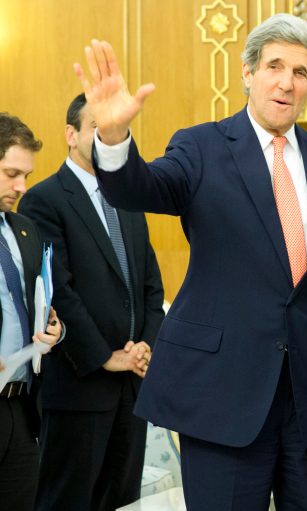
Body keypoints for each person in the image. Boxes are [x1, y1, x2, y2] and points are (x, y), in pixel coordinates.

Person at [75, 13, 307, 511]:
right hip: (222, 397)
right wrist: (112, 140)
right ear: (248, 72)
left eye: (300, 72)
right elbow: (141, 189)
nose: (286, 82)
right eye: (274, 66)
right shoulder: (201, 146)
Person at [18, 94, 165, 511]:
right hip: (78, 387)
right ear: (71, 134)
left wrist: (145, 345)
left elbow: (151, 287)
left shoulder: (128, 198)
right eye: (98, 128)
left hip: (131, 388)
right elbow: (58, 292)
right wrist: (105, 356)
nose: (107, 138)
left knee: (124, 502)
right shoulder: (44, 200)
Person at [0, 113, 63, 511]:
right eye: (11, 174)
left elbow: (39, 303)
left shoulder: (24, 230)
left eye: (26, 176)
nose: (22, 187)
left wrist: (55, 329)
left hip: (21, 409)